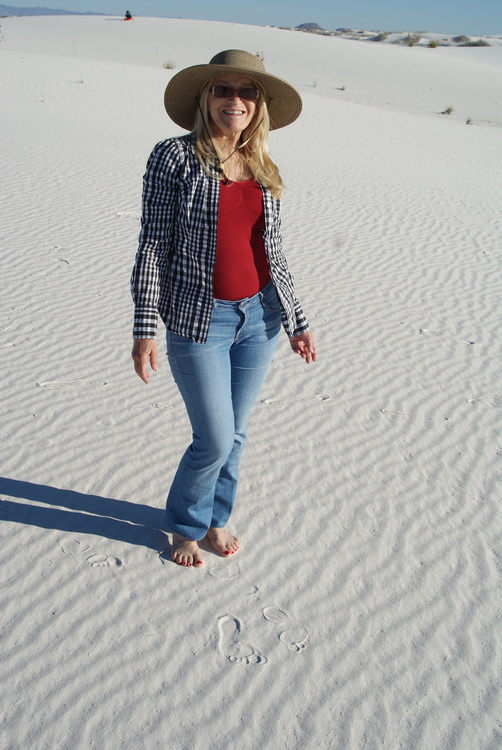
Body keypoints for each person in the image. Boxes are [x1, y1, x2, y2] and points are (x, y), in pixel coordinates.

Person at [131, 50, 317, 568]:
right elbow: (152, 245)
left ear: (259, 104)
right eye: (223, 89)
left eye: (247, 91)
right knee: (212, 437)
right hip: (200, 320)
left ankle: (216, 517)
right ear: (204, 97)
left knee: (235, 433)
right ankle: (186, 524)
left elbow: (272, 251)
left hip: (261, 319)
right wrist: (145, 325)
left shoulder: (262, 166)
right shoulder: (173, 157)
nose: (235, 100)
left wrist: (297, 319)